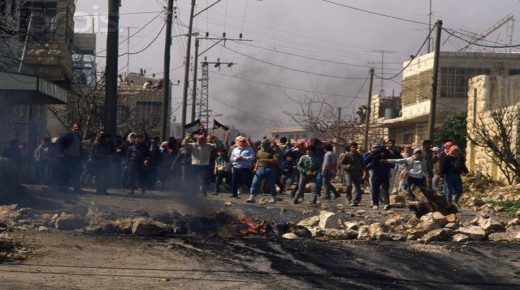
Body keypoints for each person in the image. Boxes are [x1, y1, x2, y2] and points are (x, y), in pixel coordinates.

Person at [247, 139, 279, 203]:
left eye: (265, 144)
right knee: (255, 183)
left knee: (271, 184)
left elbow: (276, 160)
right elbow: (258, 160)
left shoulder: (273, 152)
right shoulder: (259, 151)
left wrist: (264, 160)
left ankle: (273, 197)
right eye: (263, 144)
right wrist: (255, 168)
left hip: (269, 169)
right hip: (260, 169)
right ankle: (252, 197)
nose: (263, 145)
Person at [363, 143, 392, 210]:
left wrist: (386, 161)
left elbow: (393, 163)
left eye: (383, 151)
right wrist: (373, 154)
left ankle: (386, 204)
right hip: (376, 174)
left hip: (385, 174)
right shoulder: (374, 155)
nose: (382, 153)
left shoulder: (387, 155)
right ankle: (375, 204)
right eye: (380, 151)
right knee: (375, 189)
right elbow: (365, 161)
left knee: (385, 189)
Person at [56, 123, 83, 193]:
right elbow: (59, 141)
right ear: (72, 128)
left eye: (78, 128)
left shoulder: (78, 136)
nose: (77, 130)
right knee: (68, 172)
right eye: (75, 128)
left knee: (75, 172)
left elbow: (79, 148)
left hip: (75, 157)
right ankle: (64, 188)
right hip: (68, 156)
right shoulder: (69, 135)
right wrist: (62, 151)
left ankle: (73, 188)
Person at [341, 142, 364, 206]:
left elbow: (363, 164)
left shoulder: (360, 156)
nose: (354, 148)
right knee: (349, 185)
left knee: (358, 188)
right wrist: (346, 166)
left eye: (355, 147)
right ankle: (349, 199)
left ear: (357, 148)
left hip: (357, 173)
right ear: (350, 148)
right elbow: (342, 164)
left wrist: (364, 173)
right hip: (348, 173)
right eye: (352, 147)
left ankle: (356, 201)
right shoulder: (347, 155)